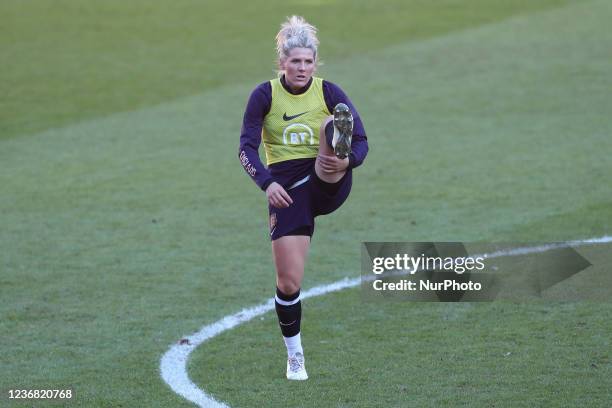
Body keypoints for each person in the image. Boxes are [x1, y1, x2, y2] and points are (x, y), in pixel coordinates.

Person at [238, 15, 368, 380]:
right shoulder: (264, 95)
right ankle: (295, 357)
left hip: (328, 177)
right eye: (295, 61)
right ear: (282, 63)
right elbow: (246, 148)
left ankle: (332, 142)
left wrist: (348, 162)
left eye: (308, 62)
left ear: (315, 63)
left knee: (332, 126)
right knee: (289, 282)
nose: (302, 68)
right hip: (287, 191)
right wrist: (267, 183)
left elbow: (364, 142)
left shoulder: (328, 91)